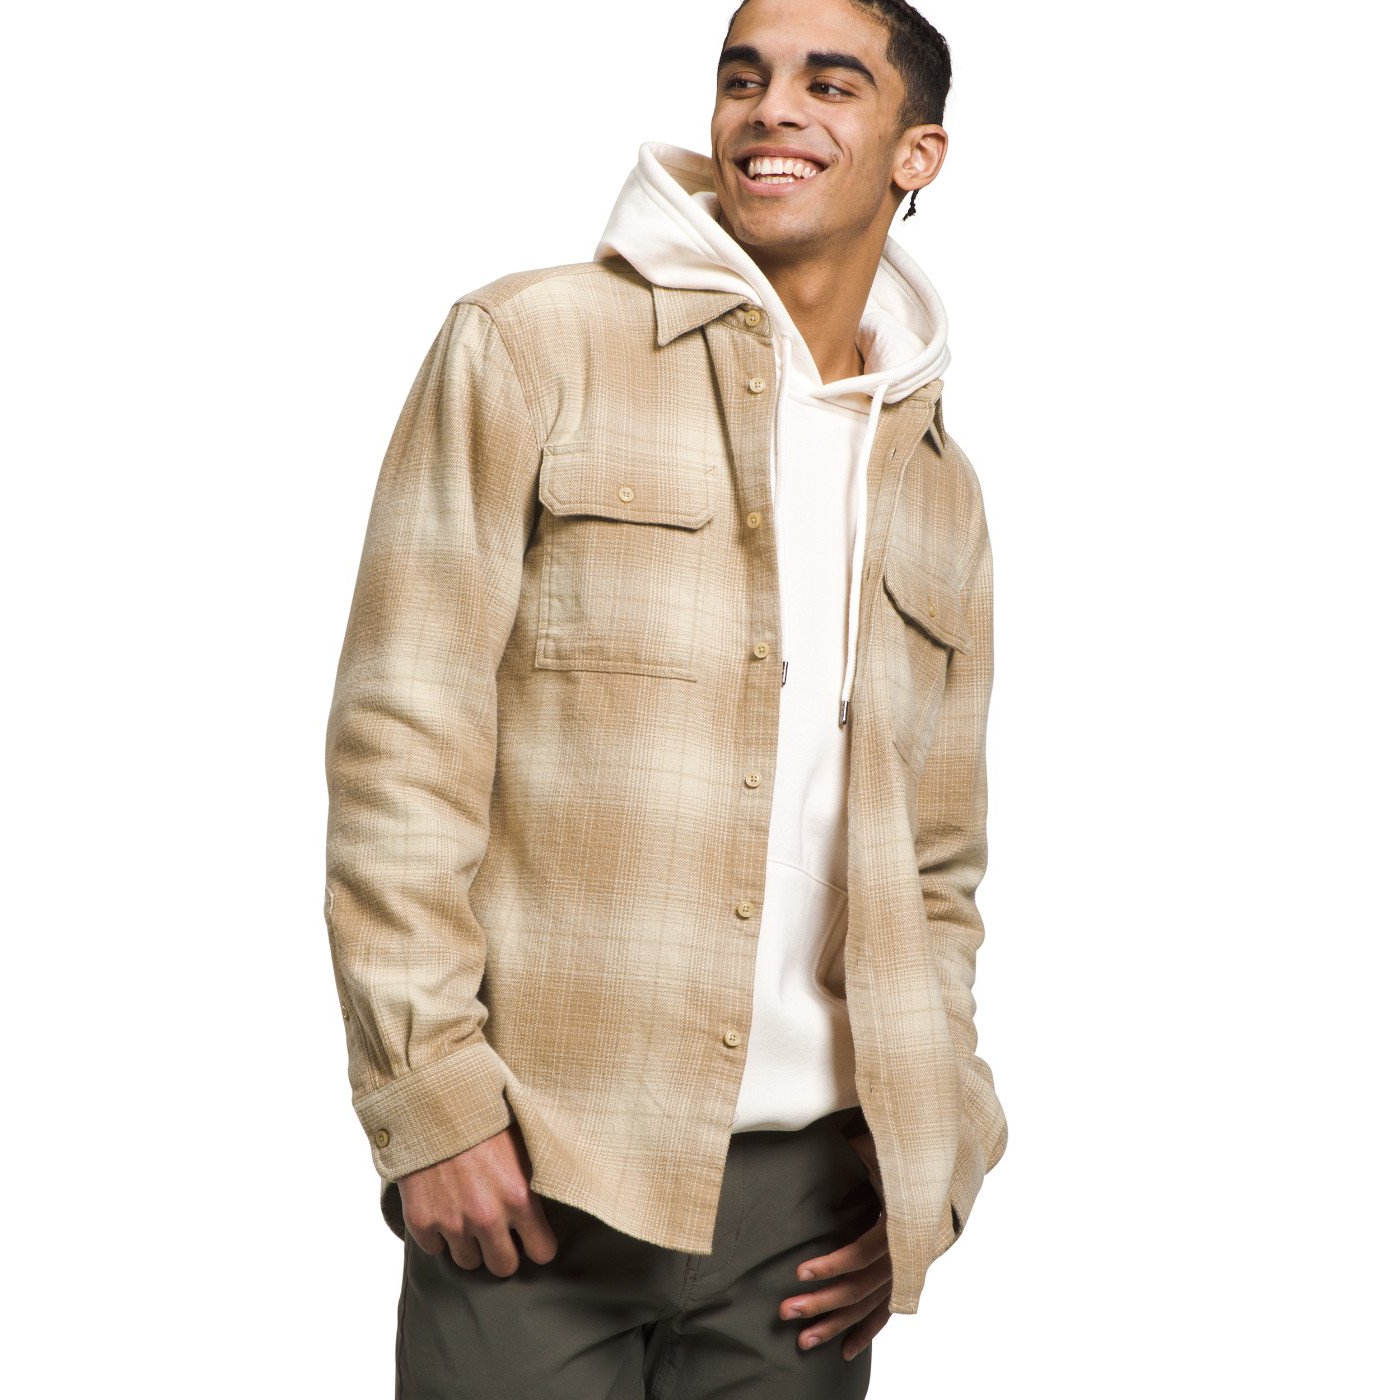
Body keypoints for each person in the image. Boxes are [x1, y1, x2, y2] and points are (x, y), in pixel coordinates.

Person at [323, 1, 1007, 1394]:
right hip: (541, 1168)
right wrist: (427, 1098)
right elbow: (402, 740)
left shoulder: (938, 482)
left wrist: (933, 1154)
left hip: (811, 1219)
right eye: (745, 75)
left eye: (831, 83)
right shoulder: (532, 344)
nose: (772, 108)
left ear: (916, 153)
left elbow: (936, 869)